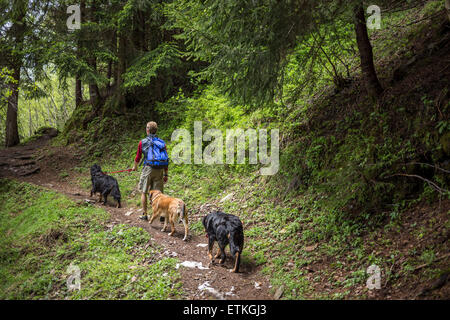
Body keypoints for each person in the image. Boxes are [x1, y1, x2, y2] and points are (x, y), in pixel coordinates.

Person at [132, 121, 169, 221]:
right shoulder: (161, 143)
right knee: (158, 193)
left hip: (148, 169)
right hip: (159, 169)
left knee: (144, 192)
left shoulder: (142, 142)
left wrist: (135, 167)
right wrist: (166, 174)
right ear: (156, 130)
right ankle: (161, 215)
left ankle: (145, 214)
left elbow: (138, 157)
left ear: (147, 130)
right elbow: (165, 159)